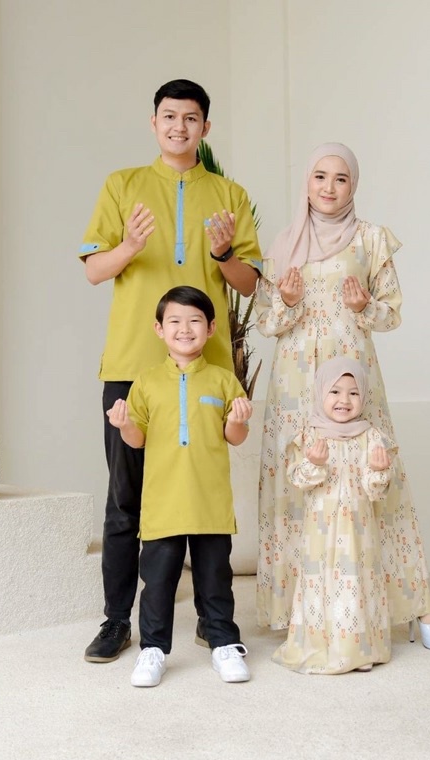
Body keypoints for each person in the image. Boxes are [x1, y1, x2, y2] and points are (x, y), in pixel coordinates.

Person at [78, 79, 261, 663]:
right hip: (133, 367)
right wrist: (129, 246)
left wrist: (224, 254)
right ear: (153, 123)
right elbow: (94, 270)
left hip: (206, 373)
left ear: (206, 128)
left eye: (190, 118)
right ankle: (116, 621)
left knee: (203, 500)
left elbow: (249, 284)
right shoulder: (123, 185)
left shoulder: (229, 195)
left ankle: (213, 620)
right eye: (168, 116)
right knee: (124, 502)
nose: (179, 126)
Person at [254, 142, 430, 651]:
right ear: (307, 182)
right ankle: (302, 610)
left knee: (377, 476)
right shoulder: (284, 243)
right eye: (319, 176)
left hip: (352, 376)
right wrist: (288, 302)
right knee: (300, 481)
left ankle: (416, 607)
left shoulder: (371, 239)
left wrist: (364, 307)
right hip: (296, 382)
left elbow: (391, 314)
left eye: (340, 178)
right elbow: (266, 321)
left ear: (353, 185)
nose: (328, 187)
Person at [108, 286, 252, 687]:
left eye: (194, 321)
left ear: (211, 328)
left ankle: (224, 643)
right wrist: (124, 425)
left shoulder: (223, 380)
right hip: (163, 503)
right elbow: (138, 439)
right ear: (159, 329)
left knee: (215, 579)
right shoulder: (146, 382)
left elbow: (235, 437)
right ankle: (153, 649)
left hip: (210, 503)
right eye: (174, 321)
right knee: (157, 582)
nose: (184, 329)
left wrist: (237, 420)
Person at [274, 358, 393, 674]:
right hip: (321, 528)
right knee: (323, 580)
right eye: (335, 391)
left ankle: (358, 649)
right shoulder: (310, 434)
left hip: (358, 528)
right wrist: (313, 463)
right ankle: (322, 646)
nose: (344, 400)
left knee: (356, 579)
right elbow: (298, 480)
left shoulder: (370, 436)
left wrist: (379, 471)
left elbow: (375, 490)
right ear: (320, 393)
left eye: (354, 393)